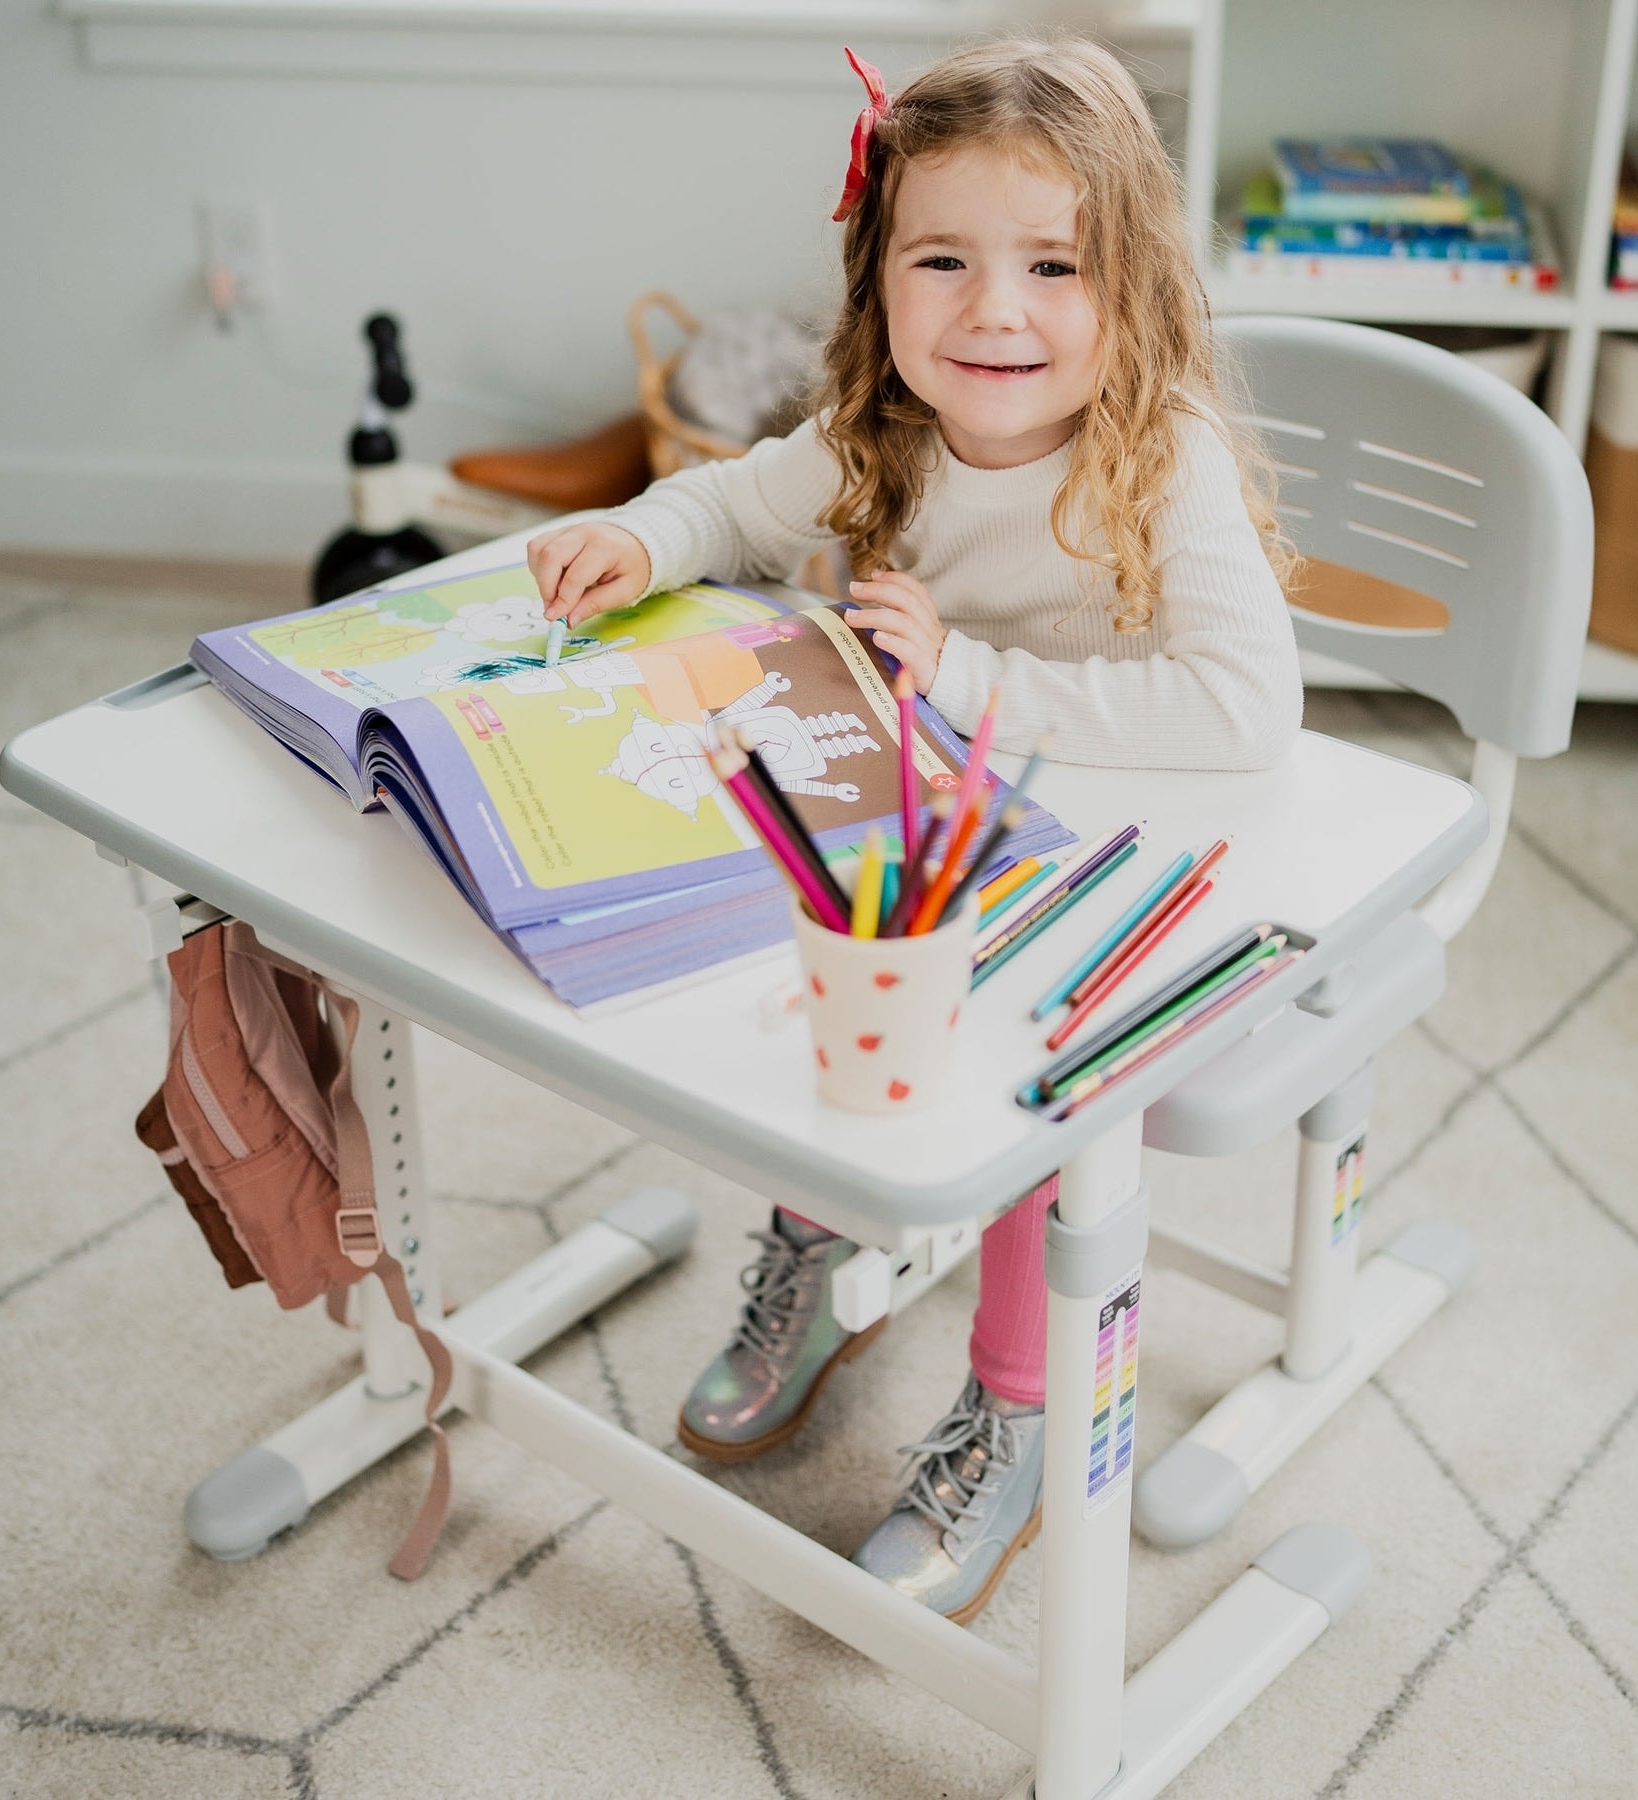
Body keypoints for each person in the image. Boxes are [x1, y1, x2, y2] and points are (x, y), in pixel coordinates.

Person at [527, 34, 1302, 1625]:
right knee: (822, 991)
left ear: (1134, 288)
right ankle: (823, 1255)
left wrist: (971, 674)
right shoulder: (877, 430)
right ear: (878, 280)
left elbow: (1246, 710)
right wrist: (635, 526)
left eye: (1052, 265)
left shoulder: (1172, 462)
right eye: (941, 258)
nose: (994, 311)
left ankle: (1015, 1409)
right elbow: (732, 505)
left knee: (1020, 1101)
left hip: (1136, 877)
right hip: (943, 850)